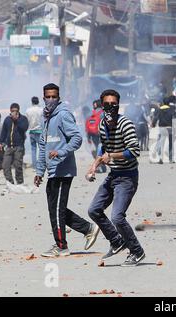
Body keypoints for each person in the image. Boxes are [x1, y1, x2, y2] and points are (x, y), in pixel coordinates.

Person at [35, 83, 100, 257]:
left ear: (58, 97)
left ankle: (61, 246)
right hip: (52, 170)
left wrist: (62, 151)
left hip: (64, 169)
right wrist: (39, 171)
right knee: (55, 208)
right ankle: (88, 228)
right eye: (47, 97)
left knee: (57, 208)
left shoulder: (63, 114)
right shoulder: (45, 117)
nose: (50, 100)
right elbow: (43, 145)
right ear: (43, 98)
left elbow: (77, 138)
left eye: (53, 97)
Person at [87, 89, 145, 266]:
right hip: (113, 175)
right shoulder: (102, 124)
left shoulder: (125, 124)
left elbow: (135, 151)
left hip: (127, 177)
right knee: (94, 210)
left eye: (114, 105)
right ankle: (116, 241)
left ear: (118, 106)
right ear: (101, 105)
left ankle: (137, 251)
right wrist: (94, 167)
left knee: (117, 217)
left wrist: (112, 156)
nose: (110, 108)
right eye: (107, 105)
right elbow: (102, 147)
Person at [0, 103, 29, 185]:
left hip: (19, 147)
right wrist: (0, 143)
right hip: (9, 147)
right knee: (5, 165)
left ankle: (20, 182)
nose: (14, 113)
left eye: (16, 111)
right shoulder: (7, 119)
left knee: (18, 165)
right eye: (12, 111)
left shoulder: (23, 119)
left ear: (18, 111)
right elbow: (4, 132)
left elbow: (24, 128)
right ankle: (10, 182)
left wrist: (17, 120)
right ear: (10, 111)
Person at [152, 96, 175, 164]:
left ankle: (161, 159)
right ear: (168, 103)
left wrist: (153, 124)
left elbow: (156, 118)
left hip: (162, 128)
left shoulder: (159, 109)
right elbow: (174, 118)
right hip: (169, 127)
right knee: (170, 144)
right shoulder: (171, 109)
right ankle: (171, 159)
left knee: (161, 143)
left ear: (163, 102)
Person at [85, 99, 106, 173]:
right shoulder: (103, 113)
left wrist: (88, 137)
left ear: (95, 105)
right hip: (101, 135)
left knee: (97, 151)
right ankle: (100, 167)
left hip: (93, 135)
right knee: (100, 151)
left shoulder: (91, 113)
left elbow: (87, 126)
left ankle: (101, 166)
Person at [26, 96, 44, 169]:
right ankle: (41, 165)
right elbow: (43, 121)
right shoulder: (41, 110)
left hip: (31, 131)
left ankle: (34, 166)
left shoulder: (28, 111)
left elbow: (27, 121)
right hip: (40, 131)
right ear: (38, 102)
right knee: (41, 148)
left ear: (32, 102)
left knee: (33, 149)